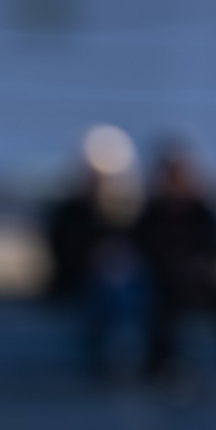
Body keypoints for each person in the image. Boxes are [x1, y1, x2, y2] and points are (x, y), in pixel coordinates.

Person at [133, 145, 216, 383]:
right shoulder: (150, 214)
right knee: (156, 309)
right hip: (164, 287)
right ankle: (158, 368)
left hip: (202, 283)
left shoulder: (203, 212)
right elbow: (143, 252)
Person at [38, 129, 142, 377]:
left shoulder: (130, 214)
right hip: (79, 285)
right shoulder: (68, 213)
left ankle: (126, 355)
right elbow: (61, 256)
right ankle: (114, 358)